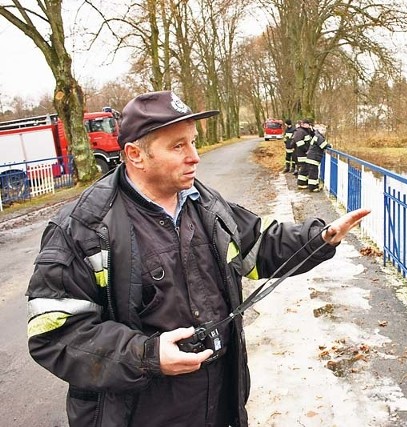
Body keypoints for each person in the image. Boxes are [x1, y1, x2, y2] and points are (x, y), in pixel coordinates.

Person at [25, 91, 370, 427]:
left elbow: (259, 245)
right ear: (135, 155)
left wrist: (319, 238)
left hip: (220, 404)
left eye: (193, 142)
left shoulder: (205, 203)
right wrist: (145, 355)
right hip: (137, 413)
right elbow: (54, 334)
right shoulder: (83, 227)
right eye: (178, 146)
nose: (195, 156)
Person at [306, 124, 331, 192]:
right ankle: (313, 188)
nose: (323, 131)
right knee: (313, 172)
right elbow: (323, 145)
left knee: (313, 172)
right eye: (322, 130)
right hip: (313, 157)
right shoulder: (319, 136)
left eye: (324, 130)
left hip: (312, 156)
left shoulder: (317, 135)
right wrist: (330, 145)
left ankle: (314, 186)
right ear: (319, 130)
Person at [291, 118, 315, 189]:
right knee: (304, 168)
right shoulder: (300, 132)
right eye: (308, 124)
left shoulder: (306, 131)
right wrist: (306, 150)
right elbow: (299, 143)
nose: (309, 125)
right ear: (303, 124)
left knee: (306, 168)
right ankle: (301, 183)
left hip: (305, 153)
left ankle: (303, 182)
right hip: (302, 154)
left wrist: (312, 130)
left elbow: (312, 137)